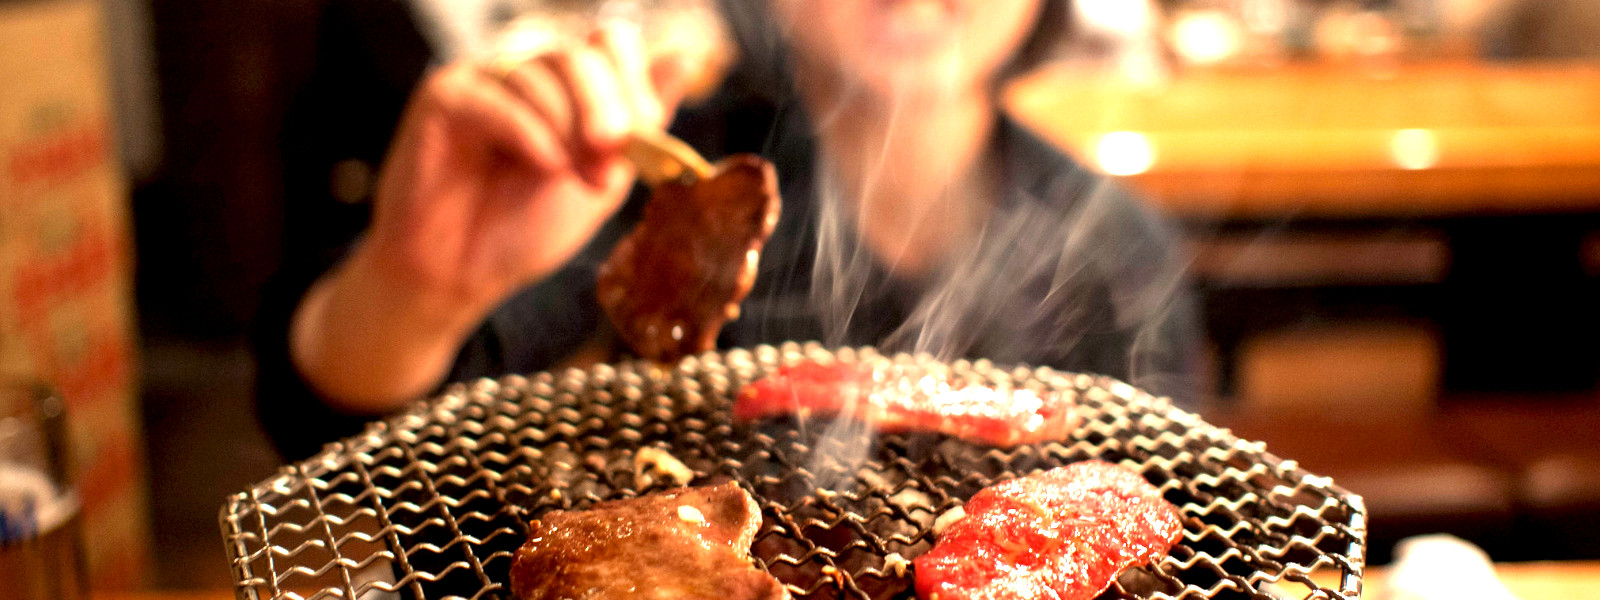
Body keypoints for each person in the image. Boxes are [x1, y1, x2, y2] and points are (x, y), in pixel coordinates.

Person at [257, 0, 1198, 461]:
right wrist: (418, 288)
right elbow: (336, 433)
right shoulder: (648, 186)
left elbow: (1170, 520)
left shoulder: (1114, 253)